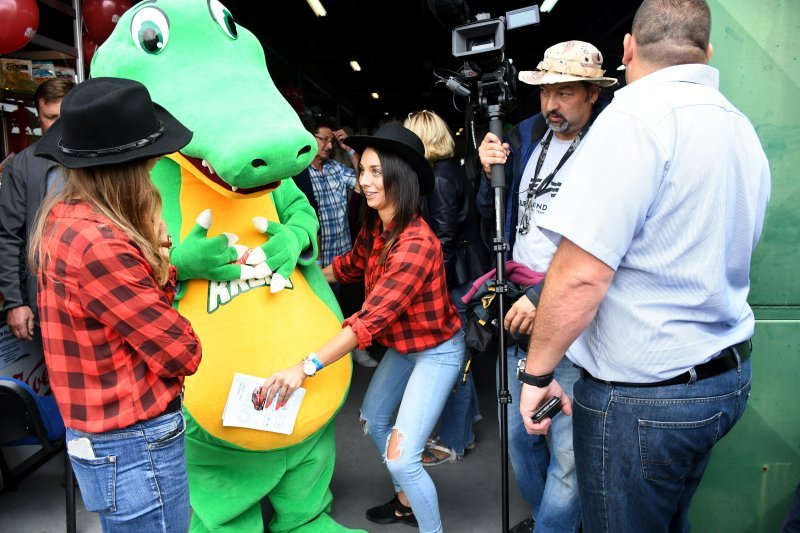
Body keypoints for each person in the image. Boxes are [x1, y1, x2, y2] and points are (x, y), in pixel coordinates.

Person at [517, 1, 771, 531]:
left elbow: (582, 271)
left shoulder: (632, 122)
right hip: (723, 382)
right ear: (707, 51)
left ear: (628, 49)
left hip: (644, 403)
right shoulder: (739, 125)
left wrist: (538, 372)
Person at [254, 123, 464, 533]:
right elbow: (349, 266)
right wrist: (295, 272)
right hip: (405, 347)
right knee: (373, 419)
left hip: (437, 350)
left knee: (404, 457)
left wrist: (305, 367)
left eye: (374, 173)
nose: (362, 182)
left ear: (398, 179)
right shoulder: (378, 224)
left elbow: (368, 323)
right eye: (361, 170)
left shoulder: (417, 244)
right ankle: (406, 498)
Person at [29, 77, 203, 532]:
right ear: (125, 171)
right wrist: (160, 260)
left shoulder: (62, 219)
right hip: (136, 445)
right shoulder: (102, 244)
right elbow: (183, 353)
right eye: (145, 167)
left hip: (102, 438)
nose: (149, 176)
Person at [477, 40, 618, 533]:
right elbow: (493, 220)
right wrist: (488, 172)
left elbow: (609, 242)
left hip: (573, 318)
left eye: (565, 93)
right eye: (545, 93)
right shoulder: (526, 135)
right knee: (519, 438)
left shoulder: (612, 147)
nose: (551, 105)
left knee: (568, 454)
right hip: (521, 312)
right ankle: (545, 520)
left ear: (592, 94)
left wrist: (544, 296)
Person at [404, 110, 489, 466]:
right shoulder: (446, 171)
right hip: (465, 275)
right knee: (460, 359)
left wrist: (425, 286)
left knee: (451, 362)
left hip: (456, 280)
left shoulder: (438, 178)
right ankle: (465, 427)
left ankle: (455, 440)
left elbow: (445, 241)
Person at [293, 115, 378, 367]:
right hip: (315, 259)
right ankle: (321, 359)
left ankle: (355, 351)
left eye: (332, 140)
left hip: (342, 254)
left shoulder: (335, 170)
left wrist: (351, 150)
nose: (329, 146)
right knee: (318, 313)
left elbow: (362, 184)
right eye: (324, 139)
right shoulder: (298, 173)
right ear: (310, 138)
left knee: (348, 307)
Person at [0, 78, 75, 346]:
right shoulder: (21, 167)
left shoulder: (95, 159)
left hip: (94, 292)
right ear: (38, 116)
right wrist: (15, 301)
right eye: (50, 117)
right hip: (46, 299)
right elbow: (8, 236)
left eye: (65, 116)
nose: (59, 126)